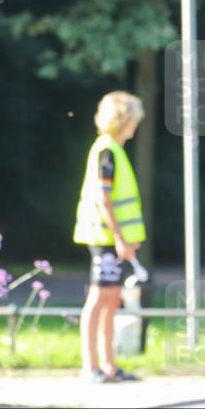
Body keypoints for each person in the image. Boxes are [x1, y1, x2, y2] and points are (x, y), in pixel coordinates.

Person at [73, 91, 146, 383]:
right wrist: (119, 238)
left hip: (113, 240)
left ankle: (109, 366)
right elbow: (105, 200)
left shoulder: (113, 149)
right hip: (104, 238)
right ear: (124, 119)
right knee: (98, 298)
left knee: (112, 299)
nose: (136, 124)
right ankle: (91, 367)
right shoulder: (107, 151)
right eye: (134, 119)